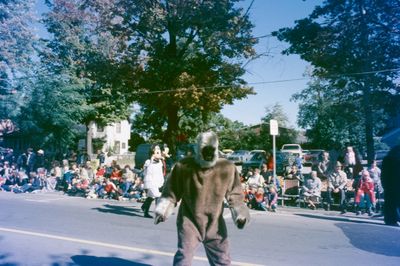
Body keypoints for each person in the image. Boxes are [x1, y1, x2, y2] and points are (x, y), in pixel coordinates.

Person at [154, 131, 249, 265]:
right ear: (198, 149)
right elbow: (172, 191)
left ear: (216, 150)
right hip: (189, 221)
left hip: (214, 223)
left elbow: (235, 194)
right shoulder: (184, 166)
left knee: (222, 260)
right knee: (184, 257)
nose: (208, 154)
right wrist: (163, 209)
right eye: (205, 150)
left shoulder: (226, 167)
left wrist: (240, 214)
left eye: (211, 151)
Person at [141, 144, 164, 218]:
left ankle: (145, 209)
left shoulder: (160, 162)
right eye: (156, 149)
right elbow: (146, 172)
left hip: (156, 182)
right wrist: (152, 158)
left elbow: (160, 172)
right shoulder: (148, 161)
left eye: (158, 149)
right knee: (158, 195)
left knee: (151, 196)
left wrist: (161, 180)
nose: (158, 151)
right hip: (150, 182)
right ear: (152, 151)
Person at [381, 144, 400, 226]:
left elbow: (384, 175)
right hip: (394, 184)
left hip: (390, 185)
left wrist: (385, 185)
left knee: (390, 203)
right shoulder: (393, 159)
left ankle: (390, 219)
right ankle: (391, 219)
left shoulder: (387, 159)